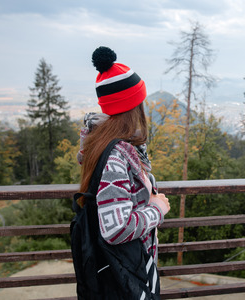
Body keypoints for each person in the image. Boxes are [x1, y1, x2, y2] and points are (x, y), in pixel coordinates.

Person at [76, 46, 170, 298]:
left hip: (120, 265)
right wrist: (157, 209)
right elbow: (116, 229)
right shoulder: (116, 157)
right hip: (126, 266)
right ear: (133, 106)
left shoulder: (100, 144)